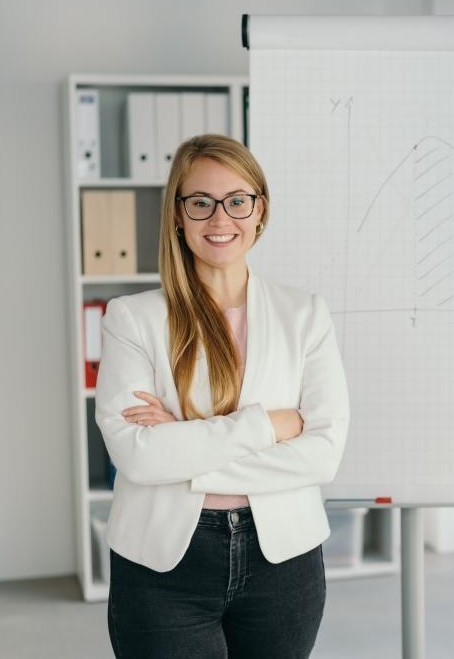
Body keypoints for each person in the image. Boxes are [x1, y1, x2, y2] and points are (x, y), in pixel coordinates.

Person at [94, 134, 349, 659]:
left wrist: (183, 446)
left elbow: (323, 455)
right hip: (163, 565)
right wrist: (268, 427)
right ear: (177, 214)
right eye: (200, 202)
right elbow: (136, 457)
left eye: (237, 200)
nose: (220, 218)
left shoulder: (305, 315)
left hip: (284, 561)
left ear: (260, 210)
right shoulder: (132, 319)